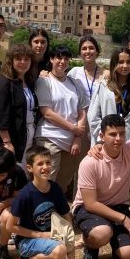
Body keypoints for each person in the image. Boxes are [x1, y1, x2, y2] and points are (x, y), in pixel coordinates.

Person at [73, 114, 130, 259]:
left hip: (118, 207)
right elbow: (90, 204)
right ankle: (90, 246)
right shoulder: (90, 162)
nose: (118, 138)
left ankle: (119, 246)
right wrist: (125, 220)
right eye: (112, 134)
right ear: (101, 136)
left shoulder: (129, 150)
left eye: (122, 133)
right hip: (90, 209)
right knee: (102, 233)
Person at [7, 146, 82, 259]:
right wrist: (40, 235)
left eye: (48, 163)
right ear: (29, 168)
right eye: (40, 164)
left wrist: (71, 248)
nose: (45, 167)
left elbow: (67, 218)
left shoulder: (55, 189)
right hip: (27, 242)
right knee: (60, 251)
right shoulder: (25, 194)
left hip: (54, 241)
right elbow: (10, 226)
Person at [34, 45, 89, 193]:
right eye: (58, 58)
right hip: (49, 138)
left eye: (66, 58)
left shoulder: (75, 83)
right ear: (51, 59)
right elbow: (47, 113)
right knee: (46, 181)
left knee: (62, 185)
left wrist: (77, 137)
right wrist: (73, 128)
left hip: (71, 143)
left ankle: (55, 214)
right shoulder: (44, 81)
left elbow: (82, 111)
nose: (62, 61)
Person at [0, 44, 38, 164]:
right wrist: (7, 143)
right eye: (18, 59)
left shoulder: (29, 82)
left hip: (25, 136)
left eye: (26, 59)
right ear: (11, 61)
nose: (23, 62)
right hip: (6, 141)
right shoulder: (3, 84)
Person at [87, 47, 130, 143]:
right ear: (114, 64)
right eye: (120, 62)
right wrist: (103, 138)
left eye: (128, 62)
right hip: (105, 142)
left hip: (129, 142)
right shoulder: (103, 86)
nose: (125, 65)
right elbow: (93, 117)